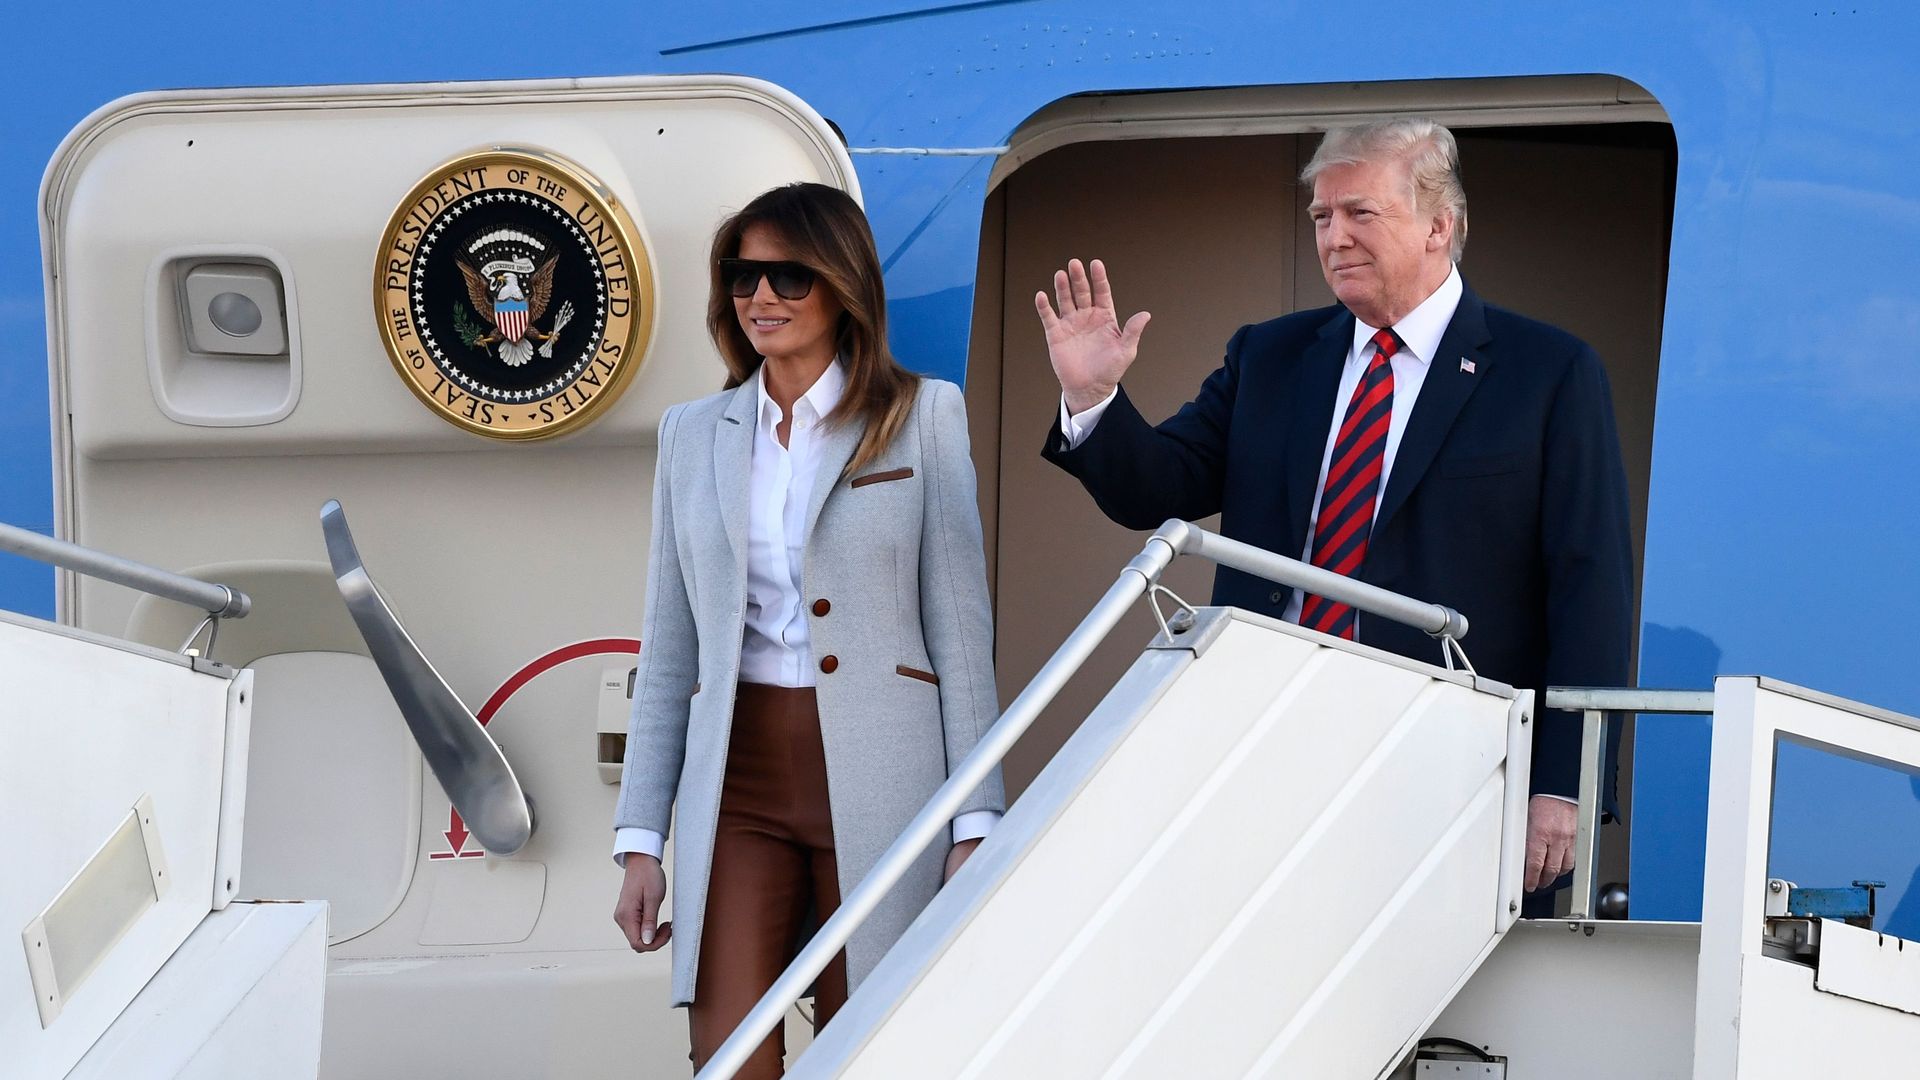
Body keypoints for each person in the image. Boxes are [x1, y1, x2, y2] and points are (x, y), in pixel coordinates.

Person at [1035, 118, 1633, 912]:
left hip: (1451, 762)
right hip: (1262, 737)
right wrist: (1092, 396)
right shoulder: (1271, 356)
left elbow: (1590, 586)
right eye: (1321, 217)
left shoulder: (1548, 372)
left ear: (1438, 225)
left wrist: (1562, 784)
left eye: (1361, 213)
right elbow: (1156, 488)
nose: (1335, 236)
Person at [612, 182, 1004, 1075]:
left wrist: (978, 815)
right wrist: (640, 838)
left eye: (789, 276)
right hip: (739, 777)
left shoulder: (921, 414)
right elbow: (670, 648)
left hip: (885, 774)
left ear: (841, 286)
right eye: (744, 276)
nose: (762, 297)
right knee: (728, 1047)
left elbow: (958, 628)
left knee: (868, 1042)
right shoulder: (690, 436)